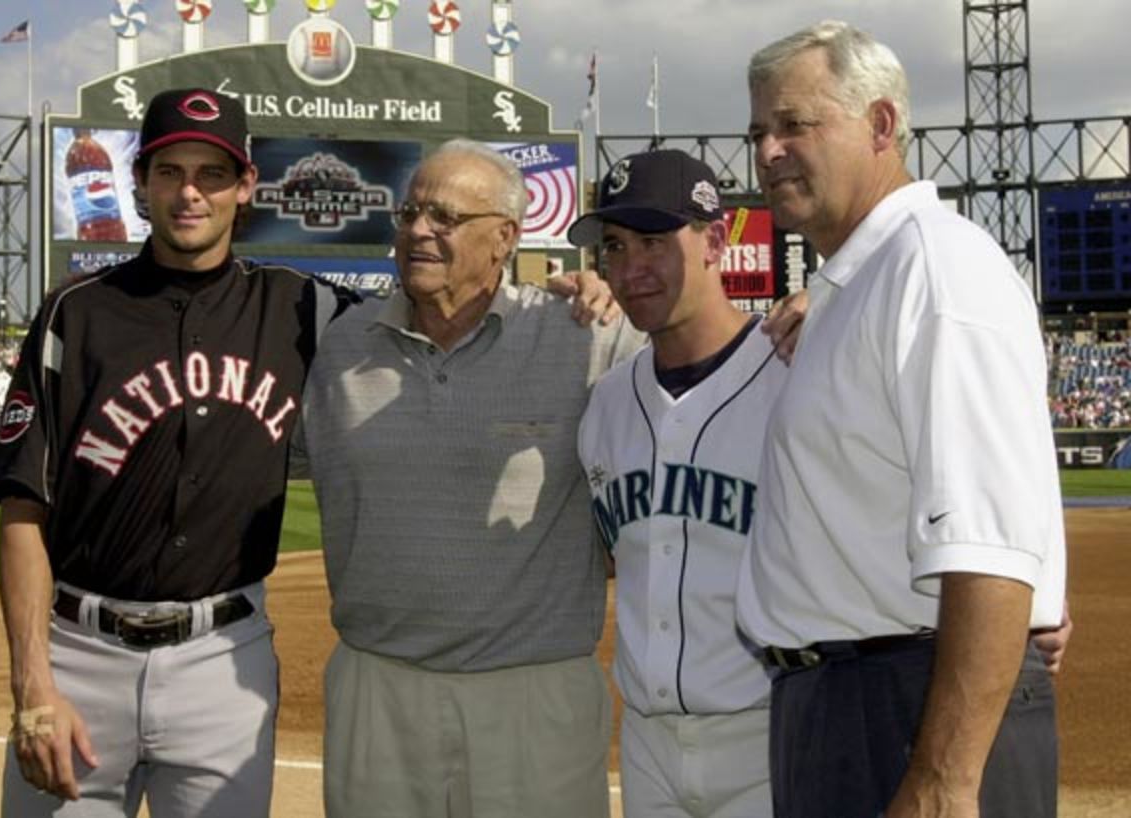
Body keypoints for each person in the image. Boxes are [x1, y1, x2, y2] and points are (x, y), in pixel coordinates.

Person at [0, 87, 356, 817]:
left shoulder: (302, 306)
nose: (190, 193)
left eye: (212, 174)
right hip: (77, 655)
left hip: (224, 662)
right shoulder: (75, 312)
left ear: (246, 186)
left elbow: (436, 305)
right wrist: (33, 688)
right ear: (142, 184)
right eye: (169, 172)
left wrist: (568, 293)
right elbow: (23, 507)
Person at [734, 21, 1068, 818]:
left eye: (794, 125)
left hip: (907, 704)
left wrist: (945, 782)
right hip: (846, 698)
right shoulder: (864, 282)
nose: (769, 151)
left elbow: (989, 545)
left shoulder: (936, 265)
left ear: (881, 125)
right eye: (759, 132)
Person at [301, 138, 643, 818]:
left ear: (505, 238)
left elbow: (703, 360)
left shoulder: (587, 334)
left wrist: (806, 315)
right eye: (409, 213)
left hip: (532, 694)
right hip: (379, 686)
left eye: (445, 218)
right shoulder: (339, 341)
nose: (418, 231)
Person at [569, 149, 790, 818]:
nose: (631, 267)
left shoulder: (794, 374)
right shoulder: (605, 403)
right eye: (614, 245)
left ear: (716, 241)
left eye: (654, 241)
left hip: (770, 730)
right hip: (645, 742)